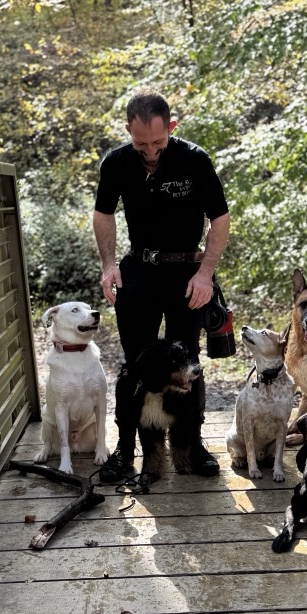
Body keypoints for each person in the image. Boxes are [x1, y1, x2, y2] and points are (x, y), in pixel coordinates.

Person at [93, 89, 230, 482]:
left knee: (187, 363)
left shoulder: (194, 160)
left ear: (171, 127)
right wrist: (108, 265)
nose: (150, 150)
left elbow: (219, 219)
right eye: (141, 143)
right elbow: (103, 214)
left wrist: (205, 272)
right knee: (135, 364)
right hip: (138, 269)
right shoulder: (117, 162)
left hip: (187, 273)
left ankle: (195, 443)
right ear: (128, 131)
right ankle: (125, 450)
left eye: (158, 141)